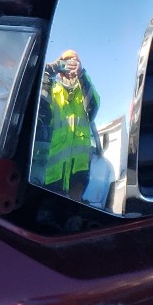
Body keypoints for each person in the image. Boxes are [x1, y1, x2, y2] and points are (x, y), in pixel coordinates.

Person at [39, 49, 100, 198]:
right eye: (66, 62)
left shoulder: (85, 90)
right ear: (60, 67)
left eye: (75, 61)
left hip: (79, 172)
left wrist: (82, 76)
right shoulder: (53, 89)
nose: (71, 65)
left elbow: (94, 107)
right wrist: (48, 71)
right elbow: (42, 113)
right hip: (52, 173)